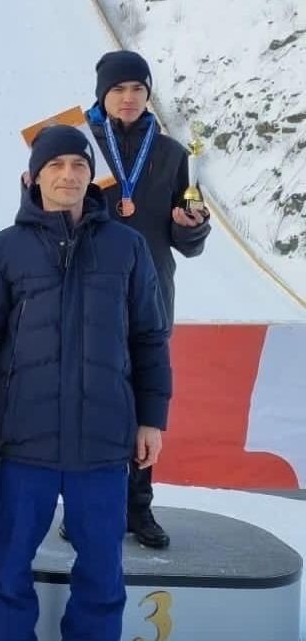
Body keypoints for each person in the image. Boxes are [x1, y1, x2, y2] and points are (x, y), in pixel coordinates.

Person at [0, 125, 171, 641]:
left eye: (78, 165)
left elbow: (149, 338)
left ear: (91, 175)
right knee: (10, 562)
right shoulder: (3, 251)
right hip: (25, 438)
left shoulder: (127, 248)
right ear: (33, 177)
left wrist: (152, 418)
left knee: (102, 569)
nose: (67, 175)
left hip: (103, 441)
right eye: (54, 165)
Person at [83, 50, 210, 550]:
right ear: (102, 95)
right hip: (90, 295)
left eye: (138, 88)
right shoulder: (80, 145)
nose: (129, 97)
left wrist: (191, 227)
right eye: (118, 89)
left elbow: (188, 238)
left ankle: (138, 504)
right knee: (91, 402)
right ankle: (93, 505)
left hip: (151, 294)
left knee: (144, 405)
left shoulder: (173, 154)